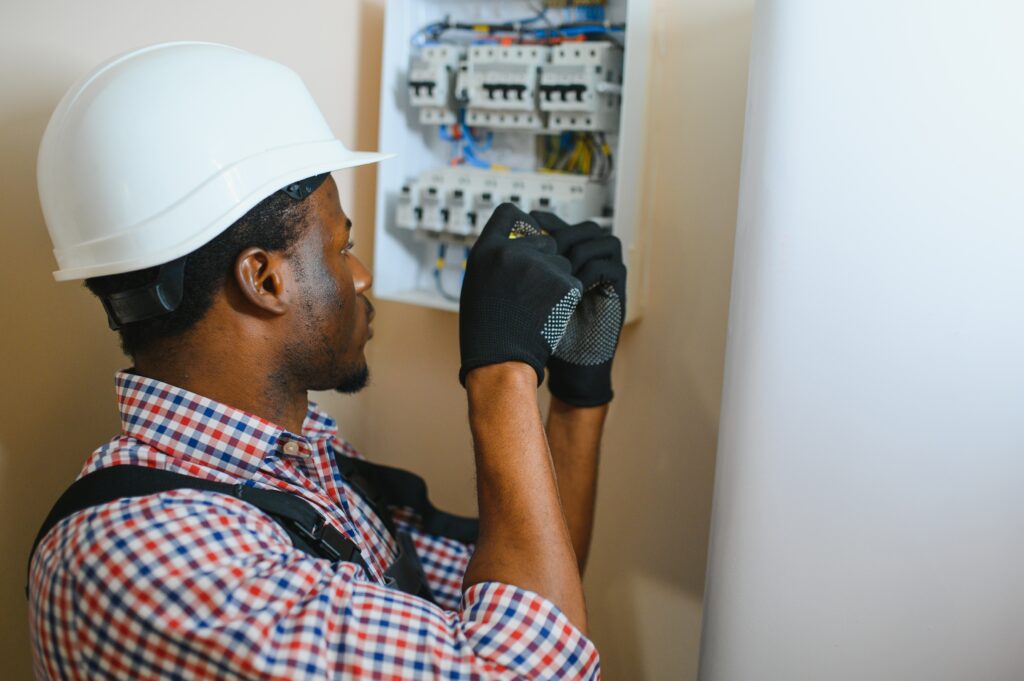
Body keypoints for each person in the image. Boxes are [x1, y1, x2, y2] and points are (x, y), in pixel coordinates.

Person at [28, 42, 626, 680]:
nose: (362, 275)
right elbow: (536, 667)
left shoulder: (296, 457)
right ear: (264, 279)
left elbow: (533, 609)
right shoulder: (144, 558)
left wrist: (577, 393)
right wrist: (501, 372)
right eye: (343, 248)